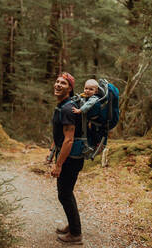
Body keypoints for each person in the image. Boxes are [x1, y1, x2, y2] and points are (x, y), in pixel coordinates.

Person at [49, 72, 84, 245]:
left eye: (63, 83)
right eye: (57, 82)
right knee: (66, 193)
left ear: (70, 88)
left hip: (70, 158)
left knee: (64, 194)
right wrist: (53, 148)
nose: (58, 85)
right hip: (68, 156)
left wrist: (58, 165)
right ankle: (73, 226)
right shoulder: (63, 105)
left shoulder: (67, 109)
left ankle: (76, 234)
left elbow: (69, 139)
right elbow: (60, 134)